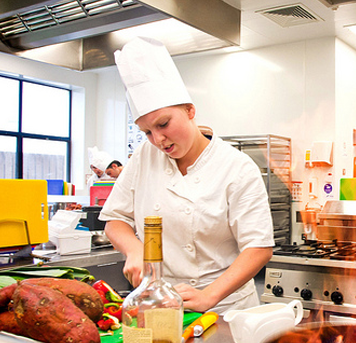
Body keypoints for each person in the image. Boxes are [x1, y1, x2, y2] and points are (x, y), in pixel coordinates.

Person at [99, 37, 274, 314]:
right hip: (161, 302)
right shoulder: (145, 156)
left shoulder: (236, 167)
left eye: (163, 124)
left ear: (190, 111)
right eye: (146, 131)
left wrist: (209, 295)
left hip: (224, 307)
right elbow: (115, 219)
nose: (157, 139)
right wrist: (134, 250)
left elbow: (258, 247)